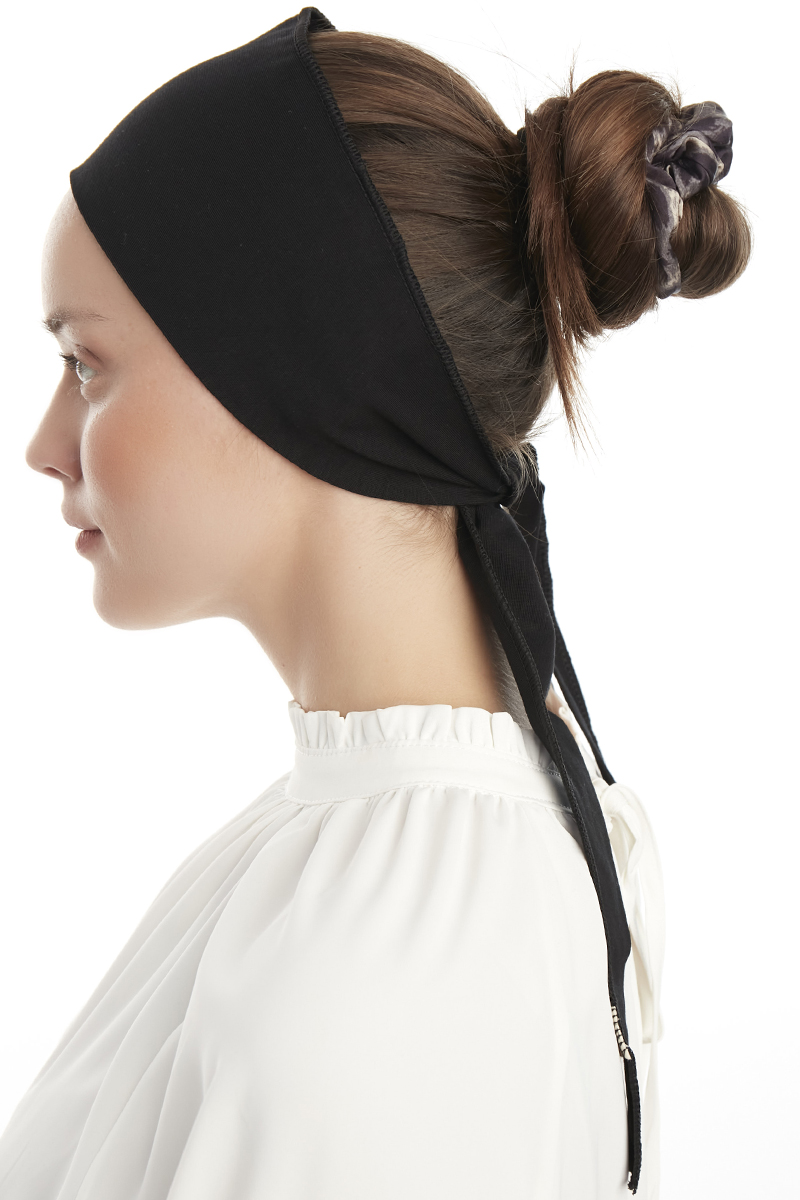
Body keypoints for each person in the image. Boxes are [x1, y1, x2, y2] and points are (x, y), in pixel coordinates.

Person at [0, 7, 750, 1199]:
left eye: (85, 364)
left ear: (302, 377)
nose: (44, 446)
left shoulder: (382, 975)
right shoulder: (382, 858)